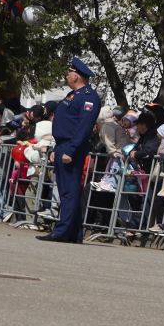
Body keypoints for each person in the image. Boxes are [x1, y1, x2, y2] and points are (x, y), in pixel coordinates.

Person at [38, 58, 102, 244]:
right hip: (63, 145)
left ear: (76, 76)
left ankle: (63, 231)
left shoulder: (88, 97)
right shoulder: (72, 95)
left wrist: (71, 149)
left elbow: (83, 126)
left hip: (72, 146)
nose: (66, 76)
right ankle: (73, 232)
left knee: (70, 190)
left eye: (69, 73)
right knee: (66, 189)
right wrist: (56, 148)